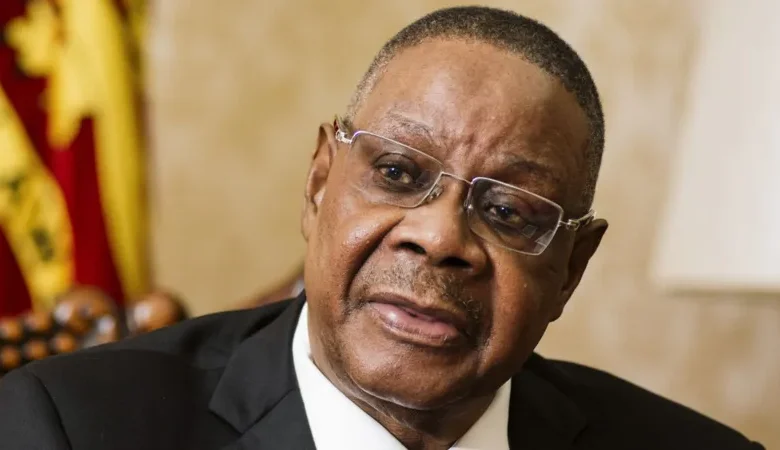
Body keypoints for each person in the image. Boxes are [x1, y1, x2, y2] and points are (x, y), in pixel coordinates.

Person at [0, 6, 764, 450]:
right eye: (397, 173)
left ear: (571, 267)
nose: (439, 238)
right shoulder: (70, 430)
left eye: (507, 211)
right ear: (319, 183)